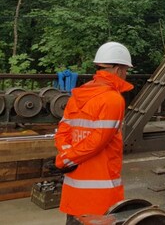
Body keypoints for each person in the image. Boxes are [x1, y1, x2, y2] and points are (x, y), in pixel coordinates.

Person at [54, 42, 134, 223]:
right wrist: (67, 159)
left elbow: (63, 131)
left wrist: (66, 155)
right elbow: (98, 141)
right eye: (126, 69)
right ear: (119, 69)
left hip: (75, 189)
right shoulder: (113, 99)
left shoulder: (80, 94)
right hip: (100, 195)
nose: (126, 74)